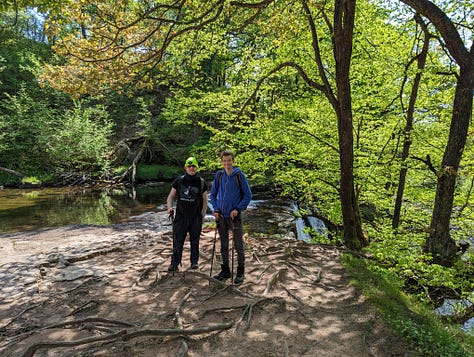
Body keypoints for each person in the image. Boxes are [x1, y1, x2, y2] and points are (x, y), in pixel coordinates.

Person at [209, 149, 252, 284]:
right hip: (221, 216)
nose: (227, 163)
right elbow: (212, 195)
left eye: (229, 160)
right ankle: (225, 270)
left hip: (234, 216)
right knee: (224, 245)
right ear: (222, 161)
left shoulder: (240, 176)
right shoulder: (219, 175)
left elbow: (248, 195)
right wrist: (215, 209)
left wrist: (238, 208)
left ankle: (240, 271)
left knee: (238, 244)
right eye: (224, 160)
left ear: (233, 161)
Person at [166, 156, 208, 271]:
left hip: (195, 217)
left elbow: (205, 201)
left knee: (195, 241)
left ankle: (194, 262)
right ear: (185, 167)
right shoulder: (179, 180)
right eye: (189, 166)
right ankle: (175, 263)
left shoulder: (201, 182)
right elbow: (170, 197)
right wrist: (169, 208)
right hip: (180, 217)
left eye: (193, 166)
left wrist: (203, 216)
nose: (191, 168)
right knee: (178, 241)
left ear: (197, 168)